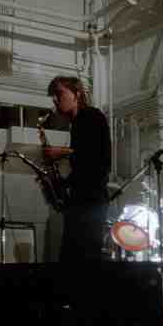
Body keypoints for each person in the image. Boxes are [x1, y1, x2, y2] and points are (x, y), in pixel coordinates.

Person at [43, 76, 111, 263]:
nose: (55, 99)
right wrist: (61, 184)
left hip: (91, 200)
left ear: (77, 94)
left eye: (59, 93)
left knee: (82, 258)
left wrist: (61, 152)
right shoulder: (77, 122)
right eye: (53, 96)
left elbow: (94, 155)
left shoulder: (92, 116)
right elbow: (83, 166)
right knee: (72, 257)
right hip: (82, 199)